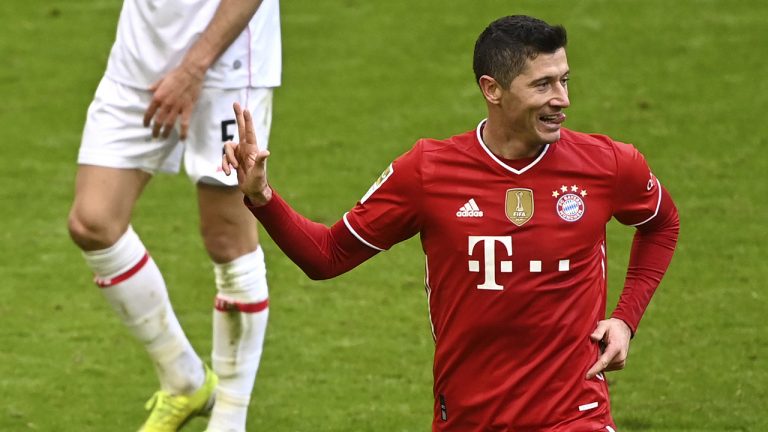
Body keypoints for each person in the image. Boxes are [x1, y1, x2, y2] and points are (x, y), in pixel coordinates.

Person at [224, 15, 679, 431]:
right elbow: (327, 256)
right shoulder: (427, 172)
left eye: (564, 80)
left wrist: (625, 319)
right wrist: (261, 196)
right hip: (470, 418)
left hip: (576, 415)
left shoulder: (607, 164)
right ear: (492, 89)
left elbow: (662, 224)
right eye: (542, 85)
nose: (563, 100)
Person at [66, 0, 280, 430]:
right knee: (93, 221)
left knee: (227, 237)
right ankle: (184, 380)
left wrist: (194, 67)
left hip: (227, 66)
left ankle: (230, 416)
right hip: (142, 56)